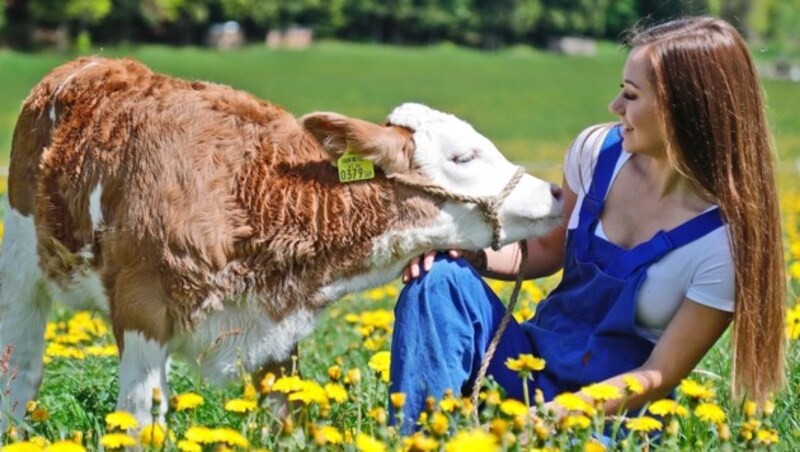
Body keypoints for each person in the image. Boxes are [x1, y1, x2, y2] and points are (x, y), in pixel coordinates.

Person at [389, 16, 786, 430]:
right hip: (529, 367)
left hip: (609, 418)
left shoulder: (723, 243)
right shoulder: (596, 152)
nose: (616, 108)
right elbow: (544, 250)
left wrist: (554, 418)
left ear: (682, 110)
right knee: (439, 279)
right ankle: (422, 437)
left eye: (631, 96)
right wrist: (465, 251)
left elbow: (660, 373)